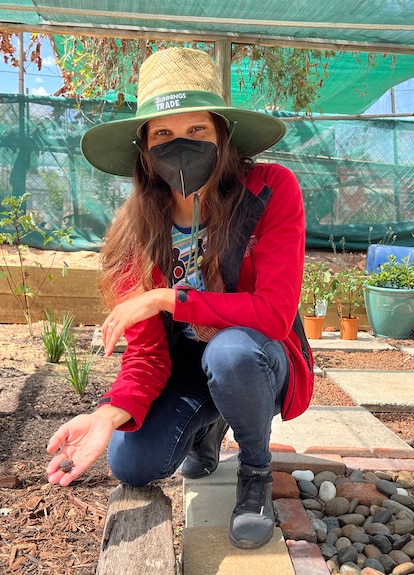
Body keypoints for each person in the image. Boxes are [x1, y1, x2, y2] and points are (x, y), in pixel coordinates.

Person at [46, 47, 314, 550]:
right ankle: (208, 424)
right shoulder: (136, 230)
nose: (180, 145)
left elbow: (274, 315)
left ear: (222, 137)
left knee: (230, 353)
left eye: (196, 132)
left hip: (256, 353)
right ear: (145, 149)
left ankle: (254, 470)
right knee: (131, 463)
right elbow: (148, 354)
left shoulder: (270, 190)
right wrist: (105, 416)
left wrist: (168, 298)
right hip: (188, 364)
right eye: (163, 134)